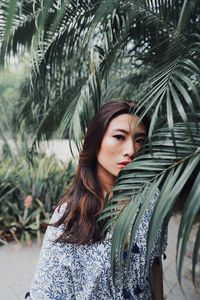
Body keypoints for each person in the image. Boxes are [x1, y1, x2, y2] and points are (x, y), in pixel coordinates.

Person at [25, 100, 167, 300]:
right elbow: (45, 293)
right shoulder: (69, 216)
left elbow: (154, 262)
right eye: (119, 137)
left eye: (140, 140)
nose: (131, 150)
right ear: (95, 140)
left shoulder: (151, 199)